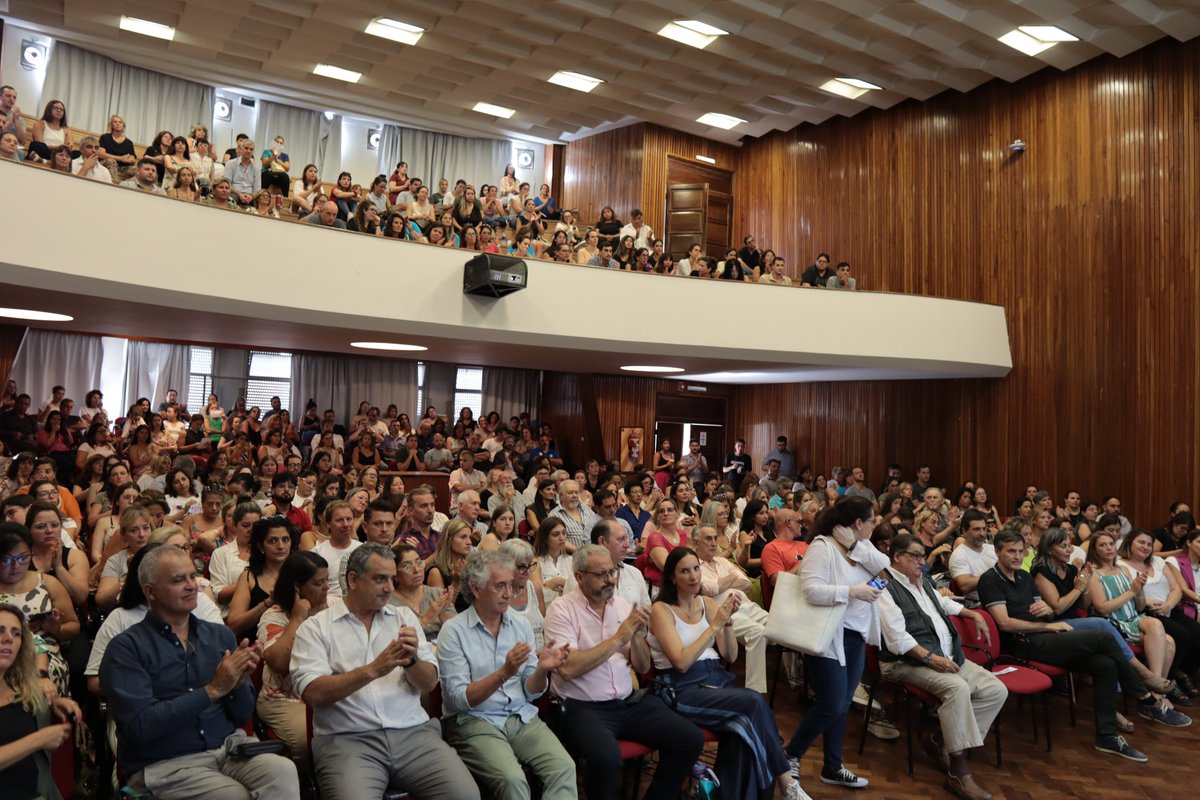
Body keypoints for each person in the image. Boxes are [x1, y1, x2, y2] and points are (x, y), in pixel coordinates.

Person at [100, 543, 299, 797]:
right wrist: (213, 690)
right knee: (232, 795)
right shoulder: (126, 648)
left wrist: (236, 686)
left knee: (283, 772)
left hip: (228, 748)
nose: (192, 585)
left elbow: (240, 715)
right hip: (165, 761)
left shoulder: (219, 635)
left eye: (192, 576)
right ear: (150, 591)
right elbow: (140, 727)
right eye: (178, 579)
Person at [289, 543, 480, 800]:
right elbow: (312, 693)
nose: (390, 588)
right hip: (348, 741)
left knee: (466, 795)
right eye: (380, 579)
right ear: (353, 580)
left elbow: (429, 683)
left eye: (392, 579)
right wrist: (372, 670)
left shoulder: (404, 618)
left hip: (414, 735)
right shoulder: (316, 628)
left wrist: (411, 662)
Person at [979, 529, 1188, 763]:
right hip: (1024, 643)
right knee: (1104, 637)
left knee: (1105, 664)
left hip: (1045, 634)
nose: (1017, 556)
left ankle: (1107, 736)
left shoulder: (1024, 577)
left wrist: (1047, 612)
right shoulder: (990, 579)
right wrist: (1046, 626)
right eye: (1011, 552)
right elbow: (1004, 623)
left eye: (1020, 551)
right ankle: (1145, 694)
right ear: (997, 552)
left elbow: (1045, 610)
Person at [543, 543, 704, 800]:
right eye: (601, 574)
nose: (610, 580)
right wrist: (619, 638)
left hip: (627, 702)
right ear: (579, 577)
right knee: (607, 759)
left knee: (690, 739)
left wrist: (638, 637)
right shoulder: (562, 609)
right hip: (582, 706)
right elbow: (568, 669)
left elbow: (641, 666)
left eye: (613, 572)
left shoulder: (620, 605)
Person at [649, 546, 809, 799]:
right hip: (680, 688)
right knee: (754, 703)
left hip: (714, 682)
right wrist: (714, 626)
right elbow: (680, 662)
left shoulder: (708, 603)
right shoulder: (661, 610)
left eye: (696, 569)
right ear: (672, 577)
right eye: (684, 571)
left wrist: (728, 624)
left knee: (744, 731)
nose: (693, 576)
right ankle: (786, 781)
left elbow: (731, 655)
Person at [436, 549, 575, 800]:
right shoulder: (453, 631)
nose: (509, 593)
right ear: (476, 589)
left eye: (511, 585)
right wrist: (504, 673)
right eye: (500, 586)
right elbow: (459, 700)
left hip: (520, 716)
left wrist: (542, 670)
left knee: (564, 767)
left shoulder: (519, 624)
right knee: (513, 781)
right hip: (474, 721)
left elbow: (531, 690)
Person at [877, 532, 1007, 800]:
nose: (921, 561)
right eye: (915, 556)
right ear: (897, 557)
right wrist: (929, 658)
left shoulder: (922, 582)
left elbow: (942, 602)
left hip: (946, 656)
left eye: (923, 556)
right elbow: (896, 638)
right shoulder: (884, 586)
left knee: (996, 689)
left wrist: (971, 613)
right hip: (906, 662)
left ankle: (941, 741)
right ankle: (958, 775)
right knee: (958, 689)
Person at [784, 496, 889, 790]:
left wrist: (856, 546)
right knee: (830, 704)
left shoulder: (862, 547)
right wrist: (853, 591)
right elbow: (811, 590)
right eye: (871, 520)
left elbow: (885, 564)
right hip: (827, 635)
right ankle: (788, 756)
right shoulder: (822, 546)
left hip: (854, 634)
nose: (874, 525)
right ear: (858, 523)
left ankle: (832, 767)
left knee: (842, 705)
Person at [256, 550, 329, 773]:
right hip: (284, 699)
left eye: (328, 580)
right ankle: (307, 786)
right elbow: (279, 663)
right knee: (313, 741)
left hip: (326, 692)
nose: (326, 587)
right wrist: (298, 618)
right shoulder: (275, 616)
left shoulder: (334, 608)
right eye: (319, 583)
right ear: (297, 587)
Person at [0, 601, 82, 800]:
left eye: (16, 633)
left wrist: (52, 703)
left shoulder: (21, 691)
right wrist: (38, 740)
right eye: (0, 630)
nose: (8, 638)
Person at [1120, 528, 1200, 696]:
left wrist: (1169, 605)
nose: (1146, 547)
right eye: (1141, 542)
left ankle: (1181, 672)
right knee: (1183, 637)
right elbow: (1129, 594)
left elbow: (1176, 588)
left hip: (1169, 608)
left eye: (1149, 544)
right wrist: (1150, 603)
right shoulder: (1121, 565)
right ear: (1129, 542)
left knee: (1197, 635)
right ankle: (1167, 684)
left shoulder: (1157, 561)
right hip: (1148, 611)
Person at [227, 516, 299, 637]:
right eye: (272, 541)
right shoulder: (248, 577)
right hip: (255, 646)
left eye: (285, 539)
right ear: (261, 546)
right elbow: (233, 626)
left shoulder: (302, 573)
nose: (281, 546)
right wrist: (267, 603)